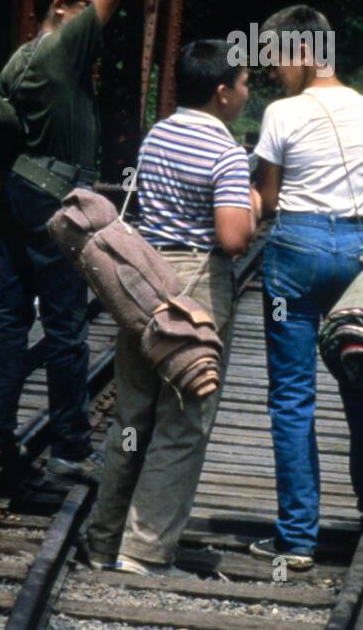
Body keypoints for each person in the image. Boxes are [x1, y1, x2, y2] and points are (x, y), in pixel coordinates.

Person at [0, 0, 178, 480]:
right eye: (87, 8)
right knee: (65, 323)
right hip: (58, 198)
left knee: (11, 314)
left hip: (19, 196)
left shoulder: (16, 61)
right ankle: (69, 447)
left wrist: (8, 191)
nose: (99, 18)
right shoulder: (62, 49)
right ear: (64, 7)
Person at [83, 39, 259, 575]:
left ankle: (103, 541)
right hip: (193, 287)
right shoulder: (227, 153)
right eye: (245, 83)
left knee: (132, 415)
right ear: (222, 92)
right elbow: (232, 240)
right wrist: (251, 202)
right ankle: (145, 551)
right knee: (183, 420)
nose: (249, 91)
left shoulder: (158, 134)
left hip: (141, 282)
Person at [249, 5, 363, 570]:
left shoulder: (282, 113)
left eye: (278, 59)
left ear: (304, 53)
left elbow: (267, 196)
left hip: (296, 256)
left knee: (292, 396)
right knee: (361, 378)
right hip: (356, 253)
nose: (273, 73)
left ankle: (299, 537)